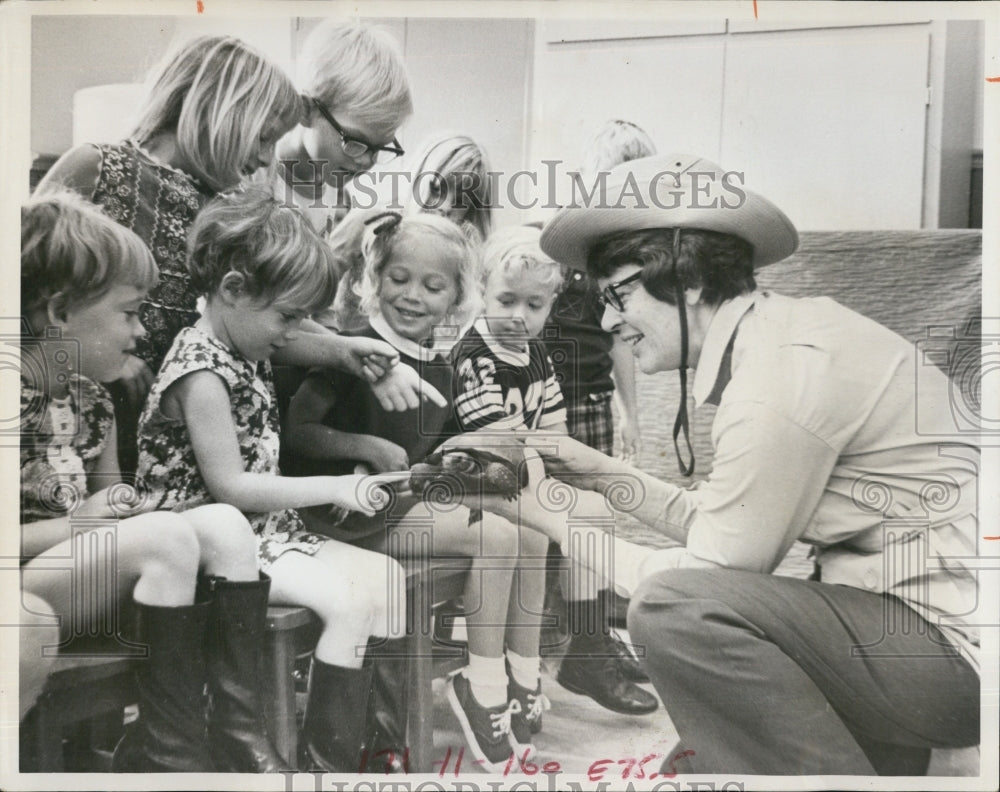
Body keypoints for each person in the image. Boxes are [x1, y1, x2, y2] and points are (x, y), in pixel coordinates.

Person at [511, 152, 980, 774]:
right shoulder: (782, 340)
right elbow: (721, 527)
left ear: (689, 284)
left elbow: (698, 583)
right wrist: (591, 468)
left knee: (673, 612)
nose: (607, 320)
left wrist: (547, 513)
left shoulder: (775, 380)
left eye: (618, 294)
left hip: (950, 659)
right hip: (917, 634)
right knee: (695, 767)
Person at [37, 34, 432, 475]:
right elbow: (27, 290)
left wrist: (341, 352)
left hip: (193, 450)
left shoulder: (229, 208)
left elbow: (255, 324)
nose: (266, 157)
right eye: (263, 139)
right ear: (219, 111)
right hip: (80, 435)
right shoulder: (96, 167)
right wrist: (89, 360)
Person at [135, 188, 408, 773]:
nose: (290, 333)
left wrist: (343, 348)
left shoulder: (242, 337)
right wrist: (335, 489)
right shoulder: (200, 372)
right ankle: (322, 769)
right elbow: (231, 488)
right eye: (286, 315)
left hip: (267, 534)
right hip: (214, 547)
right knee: (351, 603)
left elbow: (295, 341)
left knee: (389, 577)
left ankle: (378, 754)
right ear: (234, 289)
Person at [19, 192, 288, 773]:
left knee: (221, 523)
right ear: (61, 312)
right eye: (129, 313)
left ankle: (230, 733)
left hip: (86, 579)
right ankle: (170, 759)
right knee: (166, 538)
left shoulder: (93, 401)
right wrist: (78, 523)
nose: (142, 332)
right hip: (22, 594)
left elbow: (117, 513)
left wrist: (123, 509)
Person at [285, 212, 550, 772]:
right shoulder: (354, 350)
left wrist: (463, 458)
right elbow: (297, 432)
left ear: (456, 296)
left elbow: (426, 453)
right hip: (346, 515)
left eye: (433, 286)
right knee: (496, 537)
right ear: (374, 277)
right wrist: (366, 447)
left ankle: (523, 673)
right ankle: (481, 686)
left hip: (400, 503)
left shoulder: (441, 364)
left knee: (533, 529)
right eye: (399, 278)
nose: (413, 296)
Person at [540, 121, 656, 709]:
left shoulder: (629, 262)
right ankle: (580, 648)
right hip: (553, 407)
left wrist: (631, 413)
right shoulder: (564, 253)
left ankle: (594, 640)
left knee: (599, 518)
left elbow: (622, 343)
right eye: (613, 182)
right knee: (573, 524)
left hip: (593, 403)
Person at [326, 133, 494, 333]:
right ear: (417, 177)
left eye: (461, 200)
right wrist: (332, 340)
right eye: (436, 189)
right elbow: (318, 279)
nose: (445, 206)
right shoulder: (374, 222)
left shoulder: (464, 256)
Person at [274, 19, 411, 236]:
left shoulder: (335, 189)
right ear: (306, 110)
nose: (367, 162)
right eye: (354, 141)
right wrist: (337, 253)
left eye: (379, 148)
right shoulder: (256, 184)